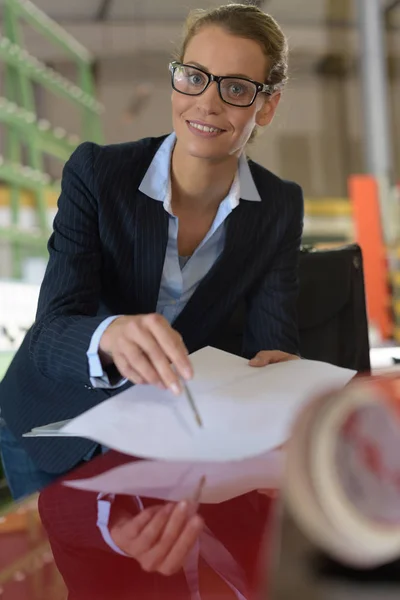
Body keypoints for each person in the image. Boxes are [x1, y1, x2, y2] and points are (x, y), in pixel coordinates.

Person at [0, 3, 303, 502]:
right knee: (64, 576)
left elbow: (270, 340)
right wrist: (110, 334)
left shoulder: (278, 204)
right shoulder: (98, 175)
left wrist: (277, 371)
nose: (206, 103)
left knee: (144, 570)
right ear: (176, 79)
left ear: (265, 106)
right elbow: (51, 330)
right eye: (194, 76)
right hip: (52, 423)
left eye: (235, 87)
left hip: (159, 436)